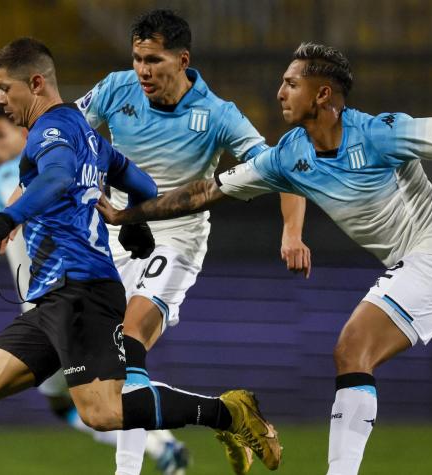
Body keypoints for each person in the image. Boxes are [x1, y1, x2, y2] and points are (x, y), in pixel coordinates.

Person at [97, 42, 432, 475]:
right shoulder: (289, 154)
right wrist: (129, 213)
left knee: (353, 349)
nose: (280, 91)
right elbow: (207, 192)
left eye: (291, 83)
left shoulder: (382, 132)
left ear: (322, 95)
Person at [0, 37, 282, 475]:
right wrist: (134, 220)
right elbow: (135, 176)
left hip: (81, 292)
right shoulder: (81, 129)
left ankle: (228, 413)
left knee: (102, 412)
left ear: (34, 84)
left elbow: (55, 178)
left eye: (3, 88)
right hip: (54, 296)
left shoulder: (50, 132)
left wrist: (6, 218)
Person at [75, 9, 309, 475]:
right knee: (113, 365)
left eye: (154, 60)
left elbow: (281, 169)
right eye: (138, 58)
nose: (143, 70)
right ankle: (229, 413)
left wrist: (292, 232)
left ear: (182, 60)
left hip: (178, 236)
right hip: (118, 232)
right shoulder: (116, 88)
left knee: (130, 336)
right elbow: (65, 133)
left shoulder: (218, 115)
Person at [0, 91, 185, 464]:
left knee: (93, 400)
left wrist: (8, 219)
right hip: (79, 296)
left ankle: (184, 430)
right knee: (90, 399)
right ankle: (170, 438)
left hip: (55, 305)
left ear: (24, 131)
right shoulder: (74, 156)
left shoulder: (14, 174)